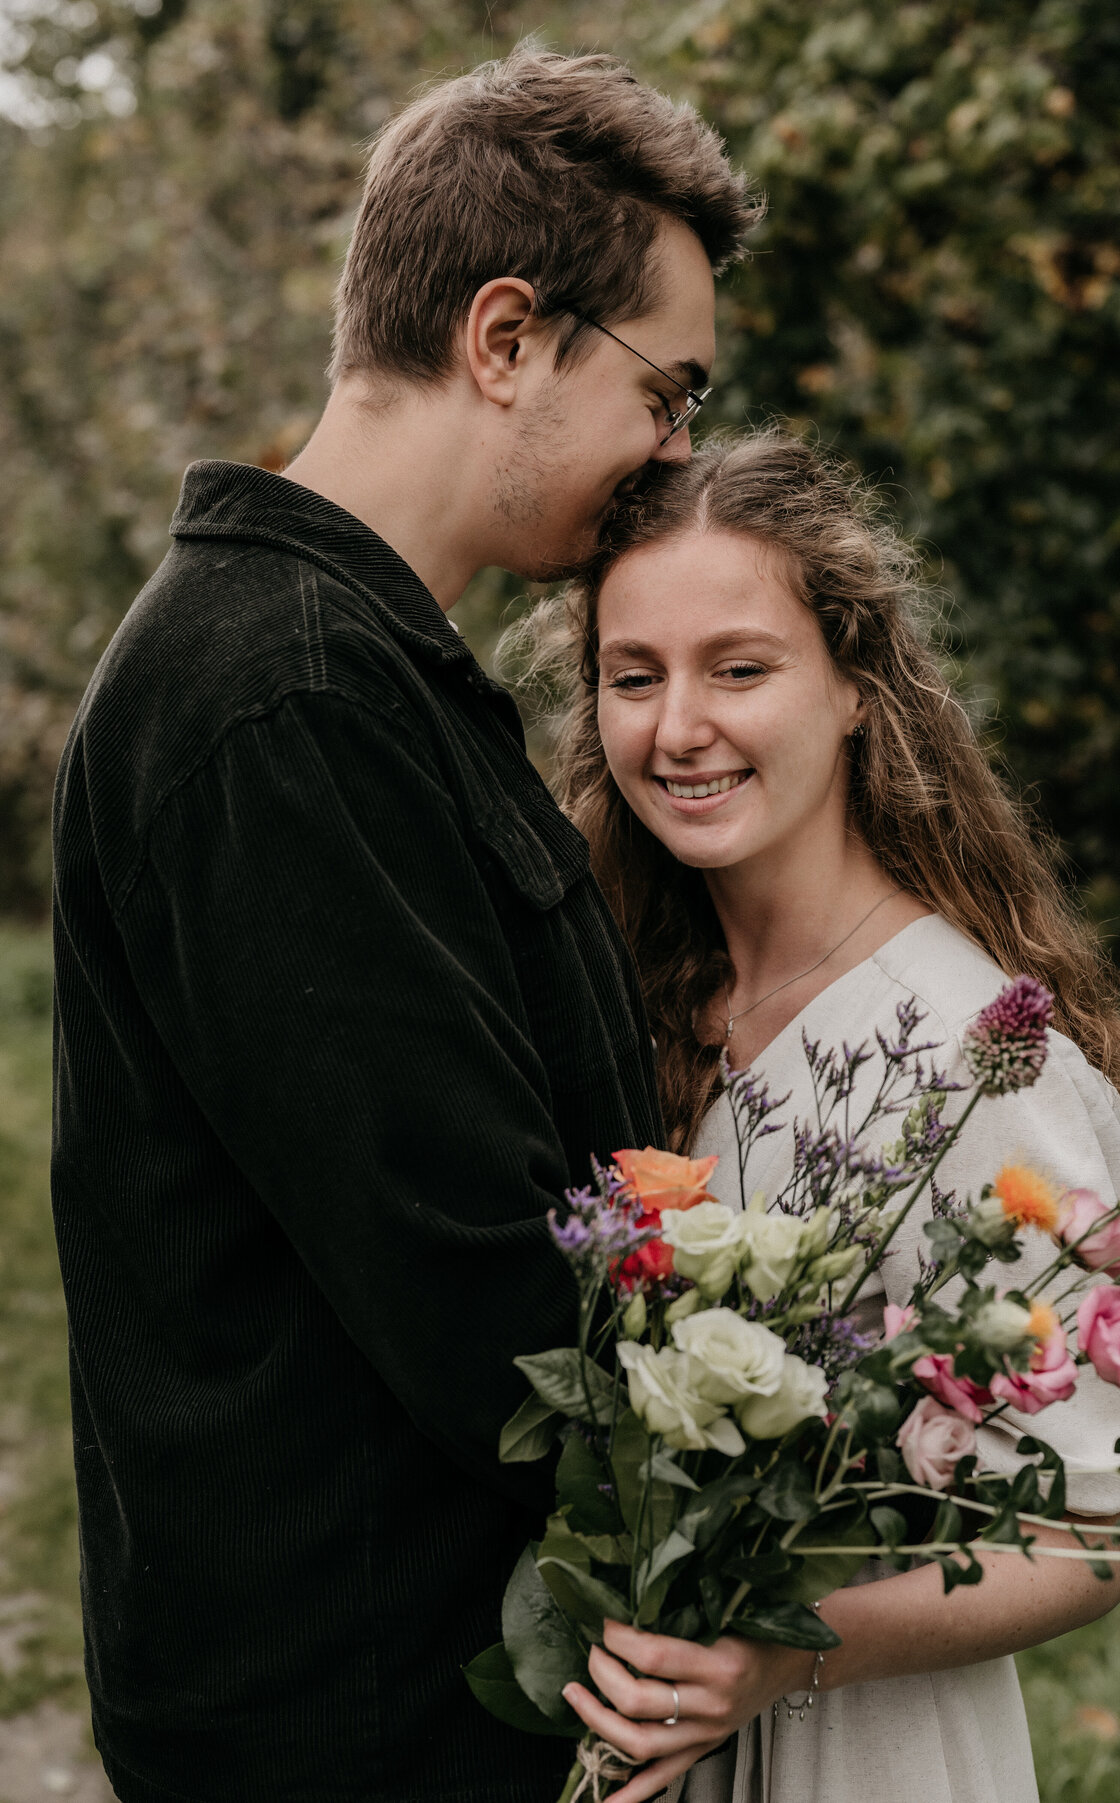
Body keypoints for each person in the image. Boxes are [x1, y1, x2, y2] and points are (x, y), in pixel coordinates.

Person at [49, 47, 757, 1803]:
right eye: (666, 393)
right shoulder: (284, 700)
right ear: (506, 339)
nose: (675, 457)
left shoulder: (366, 672)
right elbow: (476, 1281)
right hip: (348, 1724)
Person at [510, 430, 1120, 1803]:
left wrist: (783, 1655)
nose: (676, 727)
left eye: (741, 669)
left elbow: (1099, 1526)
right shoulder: (627, 1003)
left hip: (865, 1750)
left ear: (856, 693)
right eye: (632, 677)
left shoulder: (975, 1062)